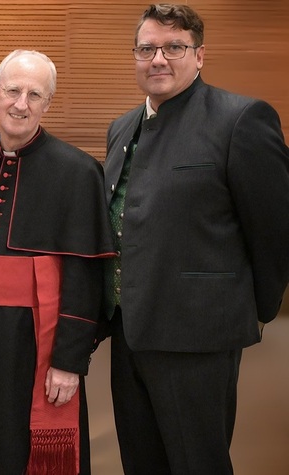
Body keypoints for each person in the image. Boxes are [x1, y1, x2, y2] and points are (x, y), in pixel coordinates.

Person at [104, 4, 289, 474]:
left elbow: (275, 228)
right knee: (141, 464)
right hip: (130, 334)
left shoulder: (241, 119)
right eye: (147, 49)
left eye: (174, 47)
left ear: (200, 55)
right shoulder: (121, 128)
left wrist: (255, 309)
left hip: (198, 335)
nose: (159, 59)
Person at [0, 50, 114, 474]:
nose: (21, 104)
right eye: (13, 90)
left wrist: (69, 361)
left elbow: (86, 276)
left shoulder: (77, 172)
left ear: (47, 103)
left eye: (34, 95)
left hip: (32, 346)